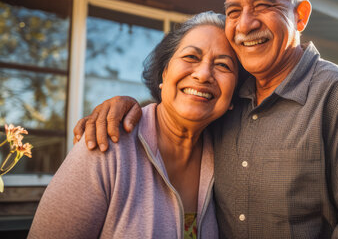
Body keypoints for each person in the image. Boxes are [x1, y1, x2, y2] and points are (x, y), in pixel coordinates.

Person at [75, 0, 338, 238]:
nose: (245, 24)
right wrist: (127, 107)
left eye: (263, 5)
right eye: (233, 10)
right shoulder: (229, 99)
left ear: (300, 15)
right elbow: (182, 113)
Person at [30, 12, 238, 239]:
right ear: (164, 73)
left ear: (233, 96)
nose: (203, 74)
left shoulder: (230, 158)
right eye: (190, 57)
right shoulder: (107, 145)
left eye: (223, 65)